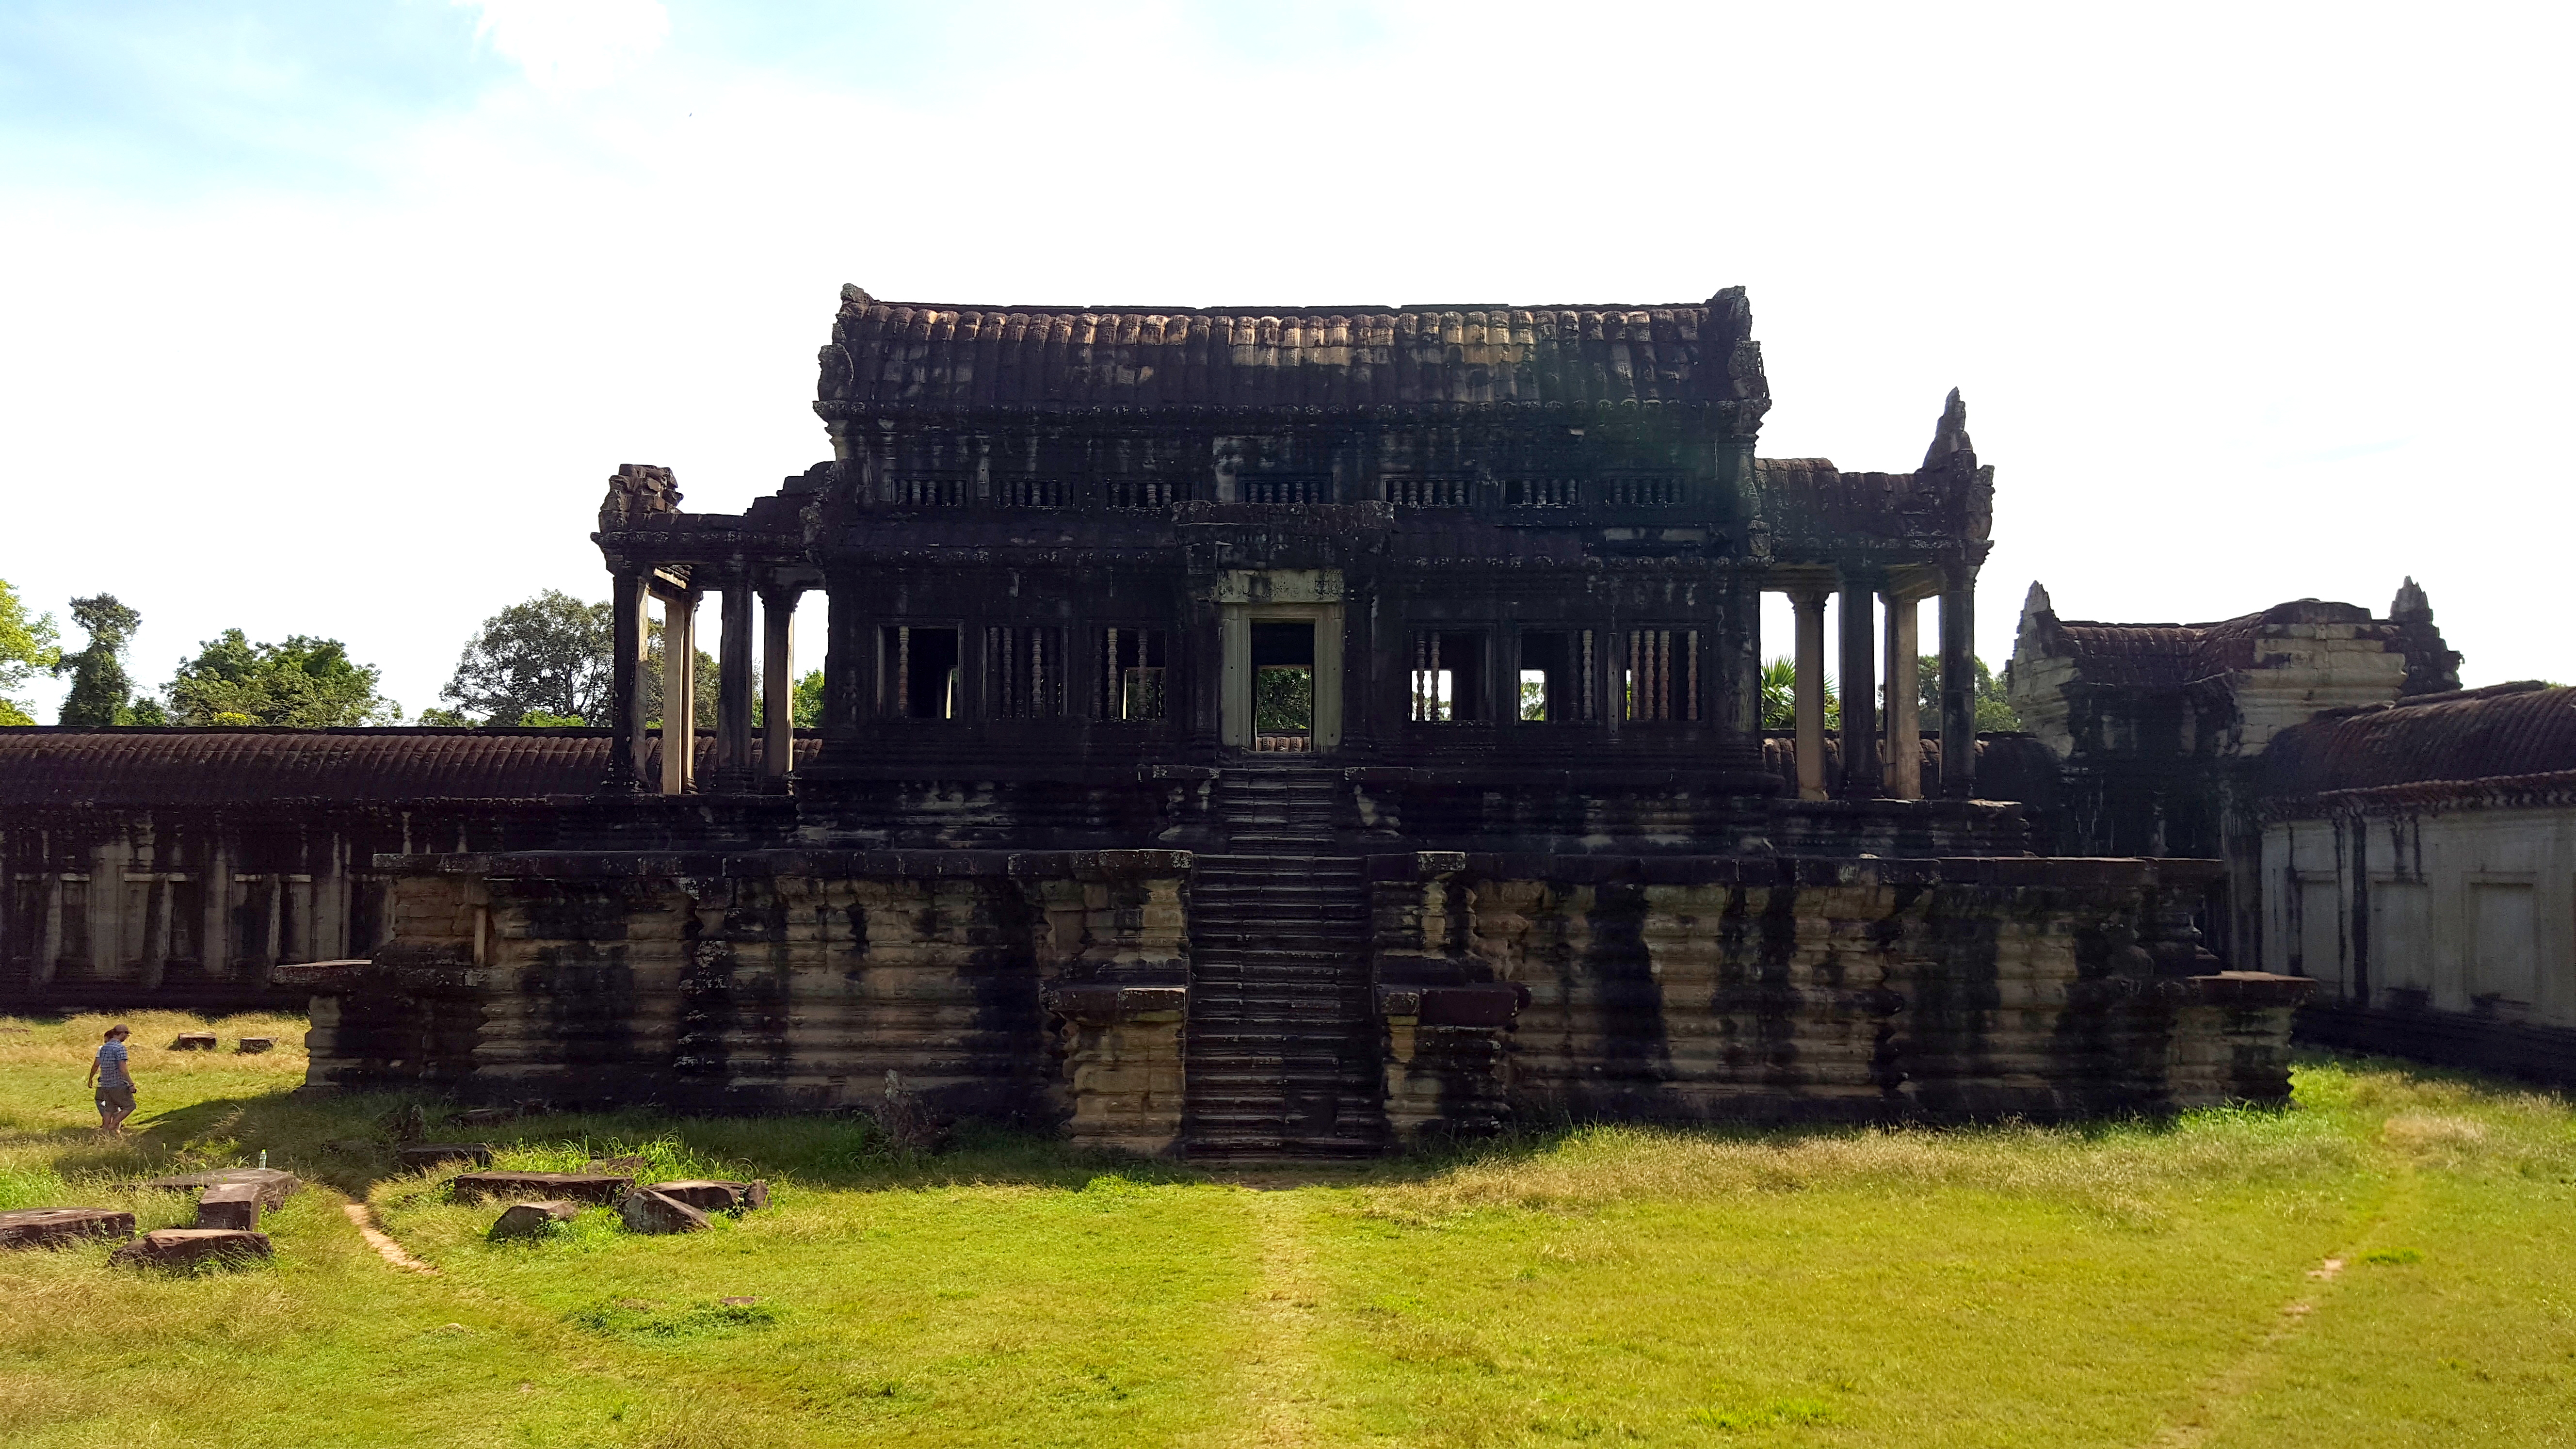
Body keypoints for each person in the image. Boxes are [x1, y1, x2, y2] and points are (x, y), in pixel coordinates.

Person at [85, 1023, 136, 1135]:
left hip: (105, 1084)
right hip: (117, 1084)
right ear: (122, 1034)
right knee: (130, 1106)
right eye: (126, 1035)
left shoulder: (104, 1047)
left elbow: (99, 1064)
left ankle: (105, 1131)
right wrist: (131, 1084)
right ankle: (113, 1126)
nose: (127, 1037)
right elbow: (123, 1068)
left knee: (109, 1109)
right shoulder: (120, 1048)